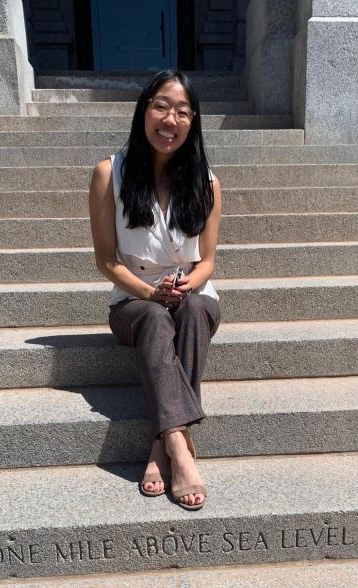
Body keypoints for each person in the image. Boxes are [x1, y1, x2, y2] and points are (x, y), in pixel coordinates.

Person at [88, 70, 222, 510]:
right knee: (153, 317)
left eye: (182, 111)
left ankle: (161, 443)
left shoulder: (206, 182)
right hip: (133, 302)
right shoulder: (110, 173)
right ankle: (180, 447)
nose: (171, 119)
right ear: (144, 110)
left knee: (197, 309)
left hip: (187, 295)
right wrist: (150, 293)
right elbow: (107, 260)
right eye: (162, 106)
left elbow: (207, 263)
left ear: (193, 121)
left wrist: (184, 286)